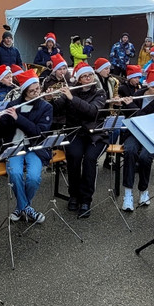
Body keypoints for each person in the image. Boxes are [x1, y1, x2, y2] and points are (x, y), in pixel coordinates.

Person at [0, 69, 52, 224]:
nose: (37, 93)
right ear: (24, 91)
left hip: (35, 148)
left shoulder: (45, 107)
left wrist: (18, 118)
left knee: (33, 177)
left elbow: (39, 133)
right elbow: (1, 133)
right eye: (32, 91)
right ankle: (27, 208)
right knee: (15, 174)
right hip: (14, 147)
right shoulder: (13, 105)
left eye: (38, 89)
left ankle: (21, 207)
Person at [117, 66, 154, 210]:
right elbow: (128, 116)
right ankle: (128, 193)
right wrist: (122, 104)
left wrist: (131, 105)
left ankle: (143, 190)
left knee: (145, 158)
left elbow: (150, 119)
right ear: (148, 85)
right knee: (129, 151)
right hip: (135, 132)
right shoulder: (138, 94)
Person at [58, 62, 106, 218]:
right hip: (75, 133)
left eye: (90, 75)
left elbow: (92, 111)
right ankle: (74, 194)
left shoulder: (99, 92)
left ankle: (86, 199)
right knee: (74, 156)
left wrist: (72, 98)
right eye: (84, 76)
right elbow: (56, 109)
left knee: (90, 159)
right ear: (78, 79)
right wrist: (52, 98)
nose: (88, 78)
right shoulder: (71, 91)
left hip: (95, 134)